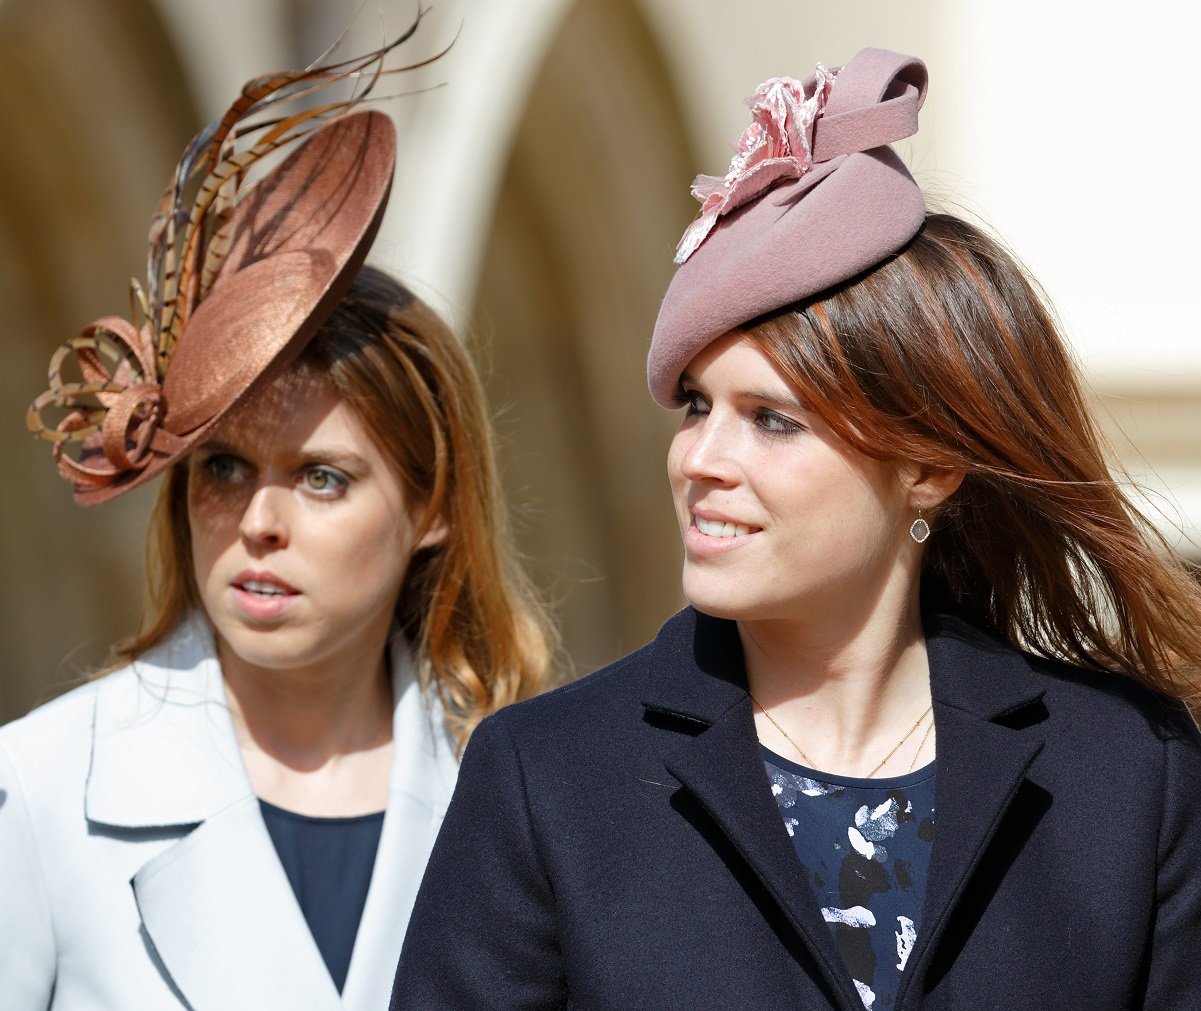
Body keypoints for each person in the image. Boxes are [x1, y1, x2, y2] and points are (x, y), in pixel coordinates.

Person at [391, 47, 1201, 1010]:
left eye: (772, 419)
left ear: (929, 468)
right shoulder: (548, 779)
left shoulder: (1127, 777)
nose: (700, 459)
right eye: (695, 408)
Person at [0, 37, 552, 1011]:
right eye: (223, 468)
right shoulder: (40, 790)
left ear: (429, 506)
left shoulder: (530, 804)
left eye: (323, 479)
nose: (258, 520)